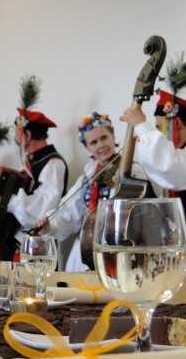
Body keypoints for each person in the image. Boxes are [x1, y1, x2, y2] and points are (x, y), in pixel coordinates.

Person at [120, 72, 186, 274]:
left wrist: (142, 128)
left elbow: (168, 166)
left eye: (159, 127)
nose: (157, 133)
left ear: (175, 124)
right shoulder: (184, 154)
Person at [34, 113, 144, 271]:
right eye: (94, 142)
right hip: (84, 250)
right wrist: (49, 225)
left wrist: (125, 182)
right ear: (88, 147)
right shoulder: (87, 178)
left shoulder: (133, 170)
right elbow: (68, 212)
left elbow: (140, 211)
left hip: (119, 250)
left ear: (113, 136)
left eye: (104, 138)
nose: (101, 145)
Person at [0, 106, 68, 259]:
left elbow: (45, 204)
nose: (15, 139)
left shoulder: (53, 163)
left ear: (27, 135)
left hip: (37, 246)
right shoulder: (34, 162)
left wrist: (5, 201)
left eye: (17, 133)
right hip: (19, 242)